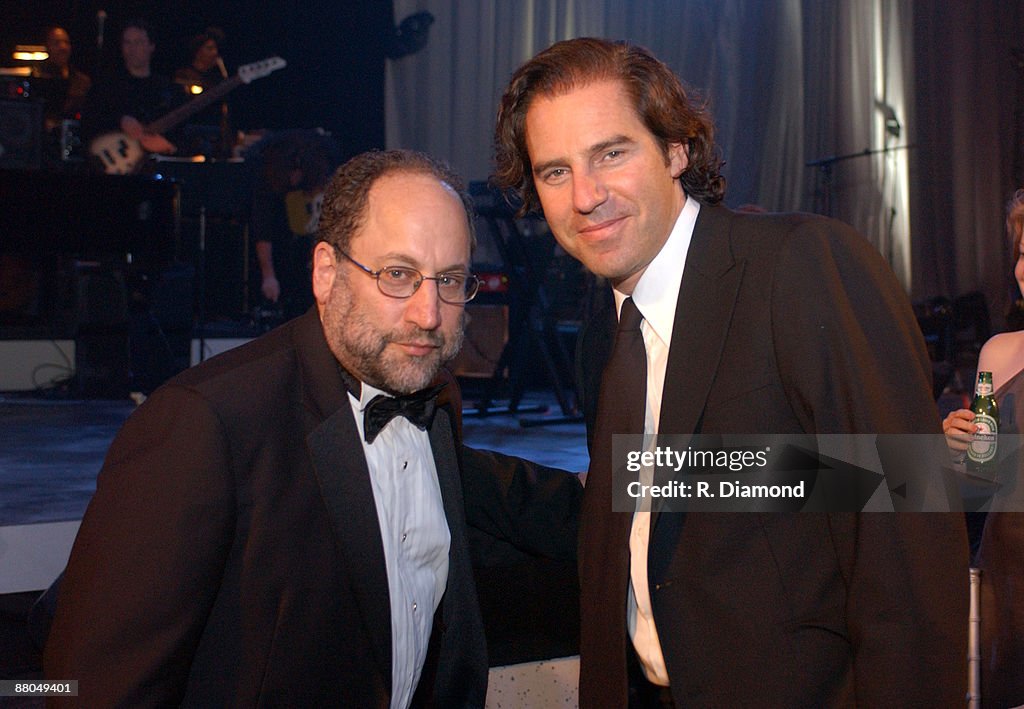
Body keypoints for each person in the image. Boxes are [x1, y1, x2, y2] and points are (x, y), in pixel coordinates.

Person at [494, 37, 968, 707]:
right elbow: (665, 514)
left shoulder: (799, 265)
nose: (586, 195)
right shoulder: (606, 326)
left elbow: (908, 544)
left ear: (676, 149)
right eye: (554, 171)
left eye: (611, 153)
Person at [44, 148, 580, 705]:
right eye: (398, 274)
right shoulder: (203, 423)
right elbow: (87, 684)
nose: (429, 313)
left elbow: (518, 498)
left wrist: (666, 485)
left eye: (450, 279)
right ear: (326, 272)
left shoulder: (432, 396)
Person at [943, 189, 1024, 708]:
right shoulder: (1000, 351)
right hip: (1009, 574)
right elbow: (981, 478)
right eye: (1022, 253)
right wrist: (956, 447)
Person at [249, 129, 340, 323]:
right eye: (290, 171)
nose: (294, 176)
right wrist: (269, 277)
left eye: (298, 171)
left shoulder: (328, 187)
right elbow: (262, 232)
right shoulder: (271, 192)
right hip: (291, 268)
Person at [80, 19, 178, 165]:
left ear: (151, 46)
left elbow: (178, 134)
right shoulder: (107, 85)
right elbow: (88, 122)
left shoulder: (166, 88)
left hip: (154, 165)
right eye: (127, 43)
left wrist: (168, 145)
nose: (132, 49)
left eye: (138, 42)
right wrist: (120, 121)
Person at [173, 27, 231, 157]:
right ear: (198, 51)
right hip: (191, 132)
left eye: (216, 49)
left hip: (214, 131)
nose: (215, 53)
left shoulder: (217, 78)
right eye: (209, 48)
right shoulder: (184, 75)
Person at [32, 26, 92, 132]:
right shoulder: (38, 77)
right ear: (48, 47)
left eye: (66, 42)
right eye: (57, 43)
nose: (63, 47)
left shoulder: (81, 80)